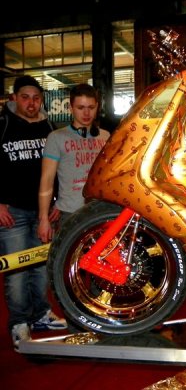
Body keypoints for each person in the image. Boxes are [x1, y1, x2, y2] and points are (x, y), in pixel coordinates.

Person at [0, 75, 67, 350]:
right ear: (14, 98)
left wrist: (57, 201)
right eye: (25, 97)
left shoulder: (50, 128)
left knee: (41, 268)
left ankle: (40, 314)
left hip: (44, 212)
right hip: (12, 213)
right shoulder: (3, 125)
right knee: (16, 272)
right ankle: (19, 322)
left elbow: (60, 168)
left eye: (36, 98)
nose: (31, 103)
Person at [38, 83, 110, 243]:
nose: (86, 113)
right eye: (80, 107)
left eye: (91, 107)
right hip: (70, 214)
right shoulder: (56, 137)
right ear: (71, 108)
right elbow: (47, 179)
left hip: (101, 212)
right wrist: (43, 219)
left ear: (97, 107)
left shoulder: (105, 136)